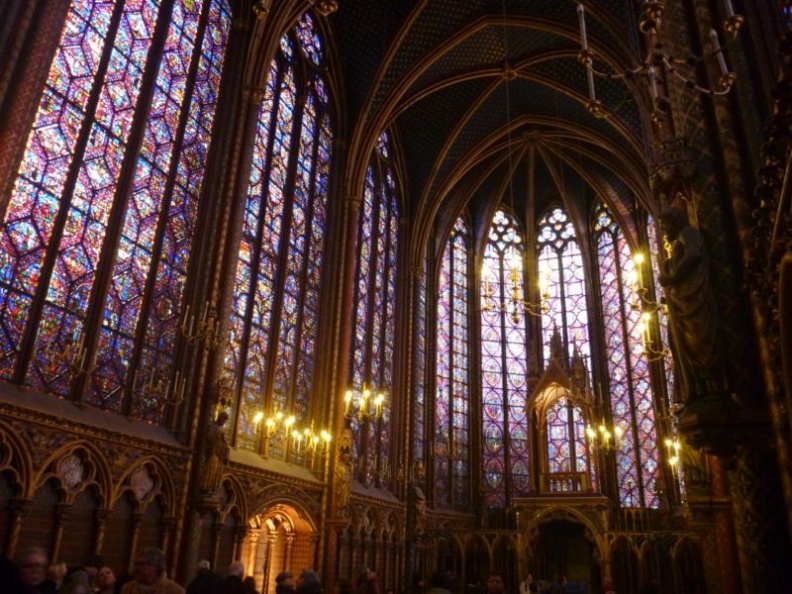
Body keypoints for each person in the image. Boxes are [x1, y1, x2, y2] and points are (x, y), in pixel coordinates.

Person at [657, 206, 723, 404]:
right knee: (680, 347)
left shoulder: (687, 234)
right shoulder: (679, 239)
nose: (663, 230)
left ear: (674, 221)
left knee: (699, 346)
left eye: (664, 225)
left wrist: (671, 277)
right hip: (683, 302)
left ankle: (711, 388)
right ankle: (698, 388)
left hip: (694, 303)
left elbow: (694, 255)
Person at [199, 411, 230, 493]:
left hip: (219, 451)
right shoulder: (213, 426)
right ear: (219, 418)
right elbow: (208, 437)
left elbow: (224, 441)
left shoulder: (221, 428)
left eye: (225, 421)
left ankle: (211, 487)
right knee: (210, 466)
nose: (223, 422)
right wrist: (216, 437)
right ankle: (205, 486)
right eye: (223, 419)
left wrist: (225, 447)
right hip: (212, 450)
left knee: (216, 469)